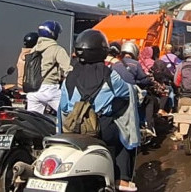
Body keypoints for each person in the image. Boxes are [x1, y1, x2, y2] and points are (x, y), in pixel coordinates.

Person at [60, 29, 139, 192]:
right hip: (99, 128)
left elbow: (64, 106)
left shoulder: (69, 77)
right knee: (124, 137)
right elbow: (127, 92)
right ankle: (122, 179)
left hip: (71, 128)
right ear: (102, 51)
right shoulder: (110, 76)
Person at [27, 21, 73, 114]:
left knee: (34, 121)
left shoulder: (34, 49)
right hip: (49, 89)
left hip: (33, 90)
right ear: (53, 34)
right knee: (70, 115)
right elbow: (68, 70)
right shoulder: (57, 49)